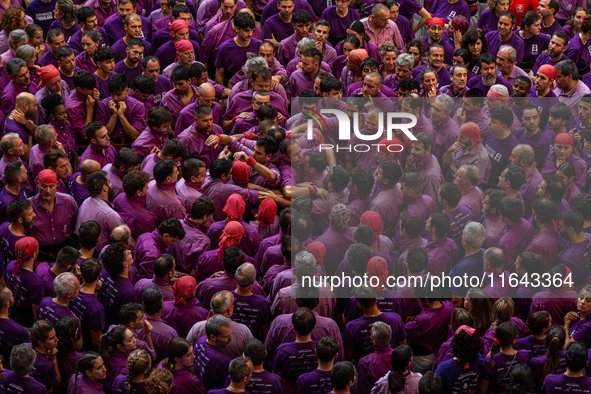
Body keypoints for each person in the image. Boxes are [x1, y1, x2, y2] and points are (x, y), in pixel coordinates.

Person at [70, 258, 105, 352]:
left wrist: (96, 291)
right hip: (86, 349)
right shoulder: (97, 308)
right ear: (99, 276)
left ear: (81, 275)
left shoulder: (71, 291)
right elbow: (96, 342)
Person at [192, 314, 233, 391]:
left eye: (230, 333)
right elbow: (228, 387)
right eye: (226, 336)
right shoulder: (222, 361)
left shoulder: (200, 340)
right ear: (213, 337)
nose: (231, 338)